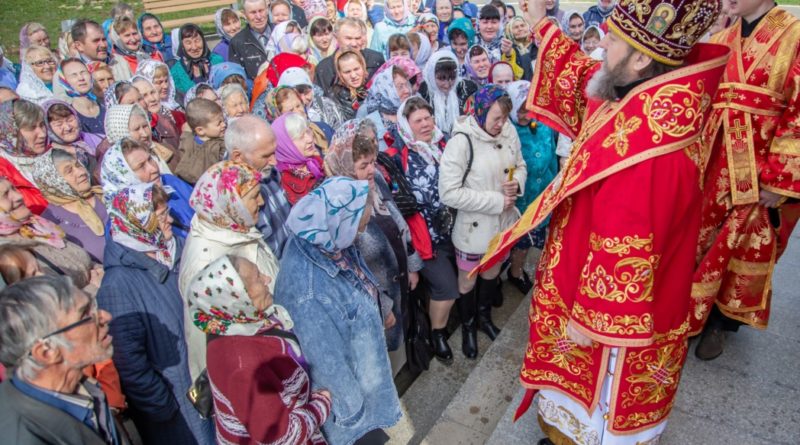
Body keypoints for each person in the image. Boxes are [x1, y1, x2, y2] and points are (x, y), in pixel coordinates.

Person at [474, 0, 727, 443]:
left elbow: (627, 244)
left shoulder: (653, 151)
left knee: (596, 398)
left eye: (611, 40)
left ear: (642, 56)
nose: (601, 46)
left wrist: (593, 318)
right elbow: (580, 84)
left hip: (608, 311)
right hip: (583, 269)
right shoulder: (642, 96)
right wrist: (541, 26)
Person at [691, 0, 800, 360]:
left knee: (744, 241)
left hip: (758, 161)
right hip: (713, 159)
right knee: (703, 237)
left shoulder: (794, 34)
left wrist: (780, 178)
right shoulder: (723, 37)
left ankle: (722, 322)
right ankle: (694, 312)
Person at [274, 176, 402, 445]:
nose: (361, 234)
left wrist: (379, 309)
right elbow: (327, 367)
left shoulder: (330, 240)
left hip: (363, 380)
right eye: (359, 228)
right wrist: (355, 418)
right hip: (350, 410)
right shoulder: (307, 292)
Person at [97, 183, 214, 445]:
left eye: (167, 212)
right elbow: (129, 361)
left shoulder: (178, 249)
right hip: (179, 403)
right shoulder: (118, 285)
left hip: (208, 381)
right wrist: (163, 407)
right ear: (139, 224)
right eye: (161, 217)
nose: (170, 220)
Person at [188, 255, 332, 444]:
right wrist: (321, 404)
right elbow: (281, 437)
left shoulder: (233, 325)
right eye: (257, 278)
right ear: (237, 297)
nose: (267, 279)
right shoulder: (243, 364)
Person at [438, 84, 525, 357]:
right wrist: (497, 201)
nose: (501, 124)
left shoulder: (508, 130)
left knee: (491, 272)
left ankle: (485, 318)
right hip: (474, 229)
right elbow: (449, 193)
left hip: (503, 224)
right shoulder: (461, 142)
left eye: (504, 118)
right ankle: (468, 326)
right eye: (496, 118)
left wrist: (517, 184)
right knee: (468, 281)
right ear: (480, 111)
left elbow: (520, 164)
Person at [325, 118, 424, 354]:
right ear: (345, 168)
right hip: (378, 298)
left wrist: (411, 264)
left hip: (398, 276)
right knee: (381, 349)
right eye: (363, 165)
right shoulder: (338, 210)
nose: (372, 169)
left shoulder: (375, 179)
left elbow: (396, 218)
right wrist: (383, 306)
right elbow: (349, 271)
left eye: (372, 162)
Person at [179, 161, 279, 378]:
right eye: (253, 197)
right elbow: (205, 346)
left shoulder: (238, 228)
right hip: (253, 376)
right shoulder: (206, 262)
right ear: (229, 203)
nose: (261, 202)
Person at [0, 276, 119, 445]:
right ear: (47, 352)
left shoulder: (81, 386)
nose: (105, 316)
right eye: (85, 314)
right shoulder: (23, 437)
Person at [504, 80, 556, 294]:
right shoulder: (507, 131)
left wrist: (554, 187)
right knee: (518, 241)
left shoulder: (542, 124)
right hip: (519, 201)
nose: (526, 115)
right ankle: (511, 272)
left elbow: (551, 154)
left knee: (530, 242)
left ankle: (516, 271)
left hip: (541, 195)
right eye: (521, 110)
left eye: (531, 109)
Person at [100, 136, 195, 239]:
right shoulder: (122, 226)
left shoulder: (171, 182)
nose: (153, 168)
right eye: (141, 166)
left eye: (150, 159)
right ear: (123, 179)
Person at [224, 115, 292, 258]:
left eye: (274, 152)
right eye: (266, 155)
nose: (274, 161)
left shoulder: (268, 171)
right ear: (238, 156)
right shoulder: (230, 196)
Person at [35, 149, 109, 263]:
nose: (81, 172)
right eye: (69, 171)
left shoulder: (105, 193)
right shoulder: (50, 222)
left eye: (78, 165)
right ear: (52, 181)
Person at [0, 100, 50, 215]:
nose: (42, 134)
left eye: (42, 125)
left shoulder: (55, 156)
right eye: (31, 128)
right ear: (11, 131)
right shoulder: (2, 172)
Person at [418, 49, 476, 137]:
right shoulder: (423, 93)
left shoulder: (466, 89)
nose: (447, 84)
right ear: (431, 75)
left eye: (452, 78)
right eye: (441, 78)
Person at [314, 18, 386, 89]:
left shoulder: (376, 59)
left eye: (357, 38)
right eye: (348, 38)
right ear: (336, 37)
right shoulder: (324, 69)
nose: (354, 43)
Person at [273, 113, 325, 205]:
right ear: (286, 145)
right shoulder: (282, 180)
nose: (309, 139)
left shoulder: (317, 161)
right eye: (301, 137)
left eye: (308, 132)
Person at [175, 98, 227, 184]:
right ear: (200, 130)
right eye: (219, 123)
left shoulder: (222, 143)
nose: (224, 125)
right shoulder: (188, 141)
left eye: (223, 121)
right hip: (187, 184)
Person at [131, 76, 181, 163]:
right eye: (144, 96)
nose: (152, 99)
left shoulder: (170, 120)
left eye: (153, 92)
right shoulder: (137, 133)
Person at [42, 100, 102, 169]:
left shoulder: (99, 139)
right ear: (48, 128)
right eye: (59, 124)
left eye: (70, 120)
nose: (68, 128)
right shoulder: (52, 159)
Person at [56, 58, 106, 135]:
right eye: (74, 75)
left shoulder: (106, 106)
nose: (81, 78)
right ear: (64, 81)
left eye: (84, 73)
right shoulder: (68, 115)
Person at [171, 24, 224, 95]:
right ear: (182, 45)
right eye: (188, 43)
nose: (194, 47)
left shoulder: (218, 61)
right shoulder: (176, 72)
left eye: (197, 41)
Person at [229, 0, 273, 80]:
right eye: (253, 12)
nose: (259, 17)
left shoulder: (280, 32)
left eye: (261, 10)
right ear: (244, 14)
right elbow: (238, 78)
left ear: (267, 9)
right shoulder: (237, 43)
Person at [327, 49, 369, 121]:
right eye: (347, 72)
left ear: (363, 67)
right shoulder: (334, 98)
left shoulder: (369, 90)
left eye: (356, 69)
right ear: (340, 74)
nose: (353, 75)